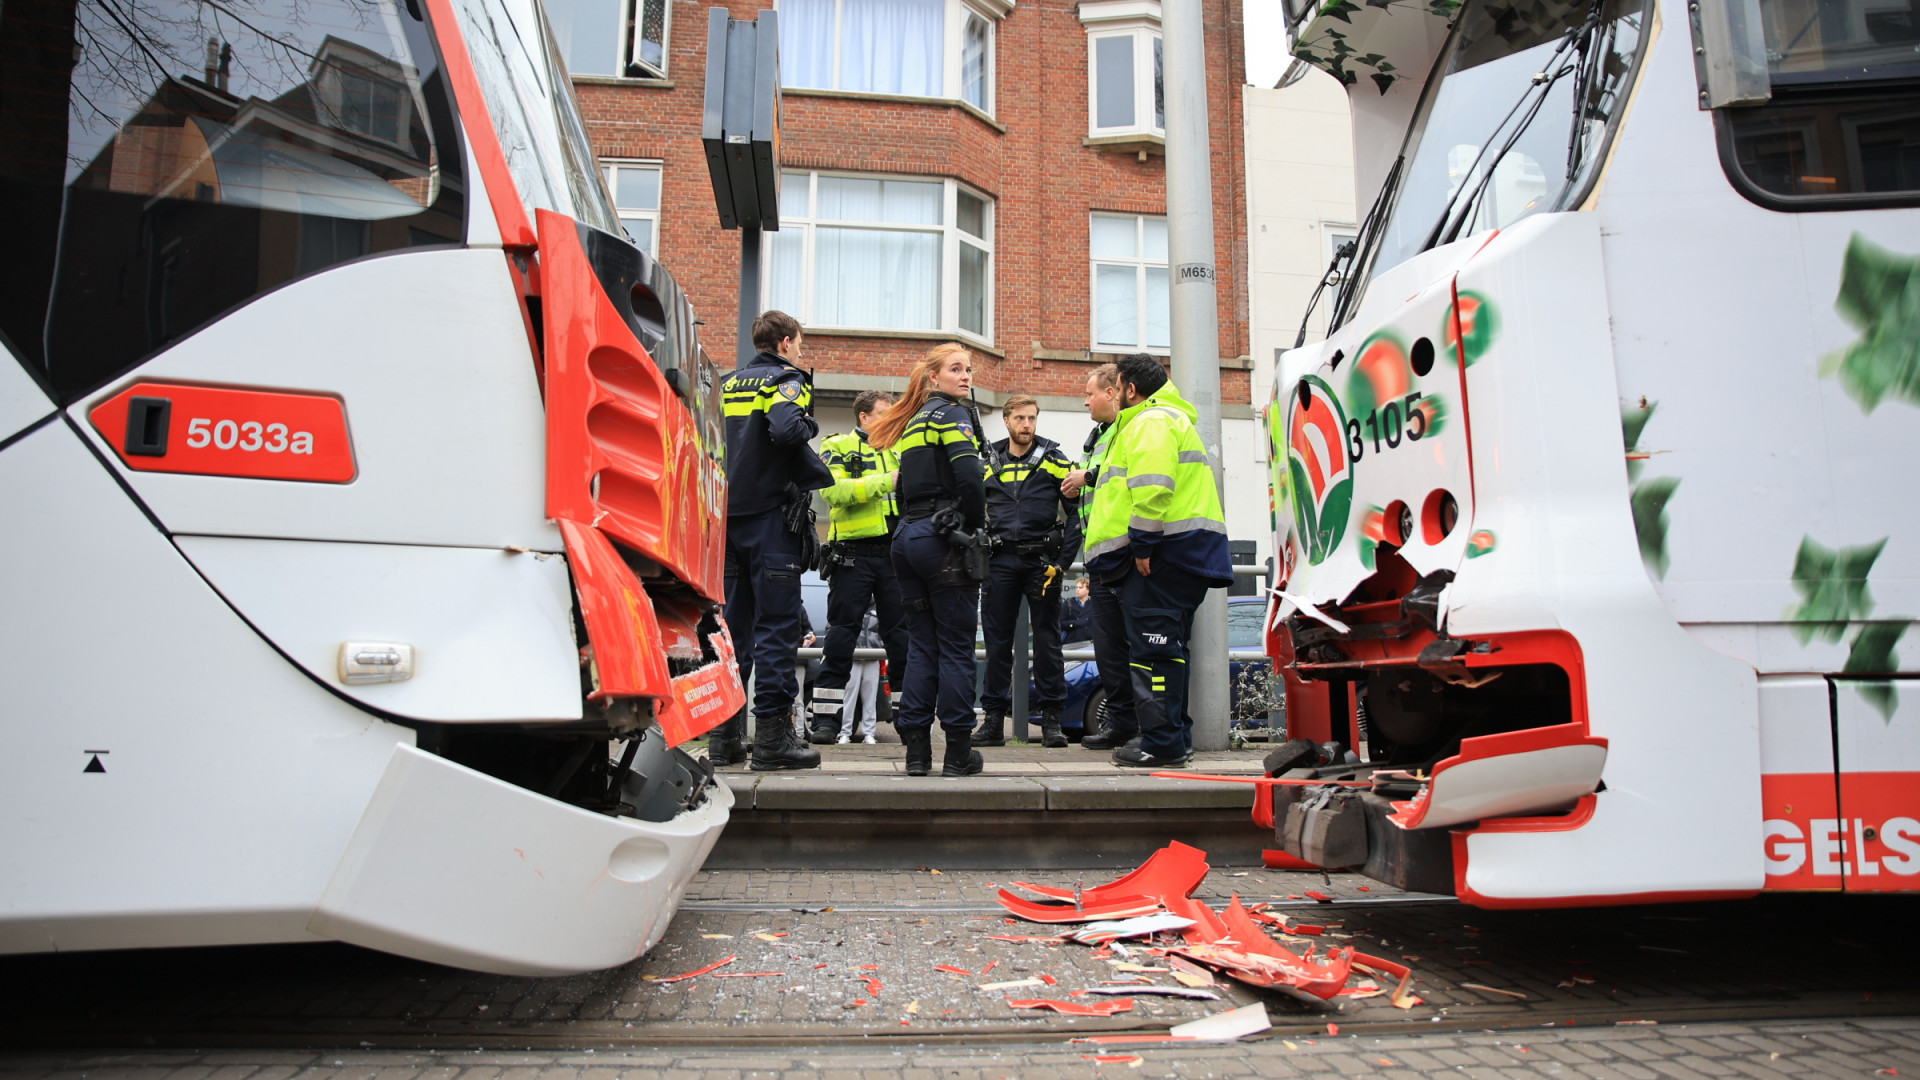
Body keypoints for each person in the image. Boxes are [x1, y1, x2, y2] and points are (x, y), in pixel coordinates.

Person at [1080, 353, 1234, 768]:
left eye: (1120, 386)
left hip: (1160, 556)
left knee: (1153, 651)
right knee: (1167, 649)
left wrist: (1144, 545)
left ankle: (1161, 743)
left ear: (1131, 389)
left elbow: (1152, 486)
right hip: (1176, 555)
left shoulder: (1150, 421)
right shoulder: (1161, 419)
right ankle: (1173, 738)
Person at [709, 310, 834, 772]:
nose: (801, 351)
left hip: (725, 522)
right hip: (768, 521)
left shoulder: (723, 383)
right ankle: (772, 743)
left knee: (731, 631)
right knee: (777, 630)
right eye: (799, 343)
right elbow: (785, 429)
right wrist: (810, 427)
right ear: (784, 343)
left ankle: (724, 740)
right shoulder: (787, 380)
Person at [867, 343, 988, 778]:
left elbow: (902, 490)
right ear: (934, 377)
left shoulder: (914, 420)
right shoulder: (953, 416)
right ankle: (958, 753)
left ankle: (916, 754)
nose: (966, 376)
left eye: (969, 369)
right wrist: (976, 526)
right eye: (956, 369)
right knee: (956, 648)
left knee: (921, 645)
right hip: (943, 541)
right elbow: (970, 476)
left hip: (908, 539)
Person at [976, 395, 1082, 749]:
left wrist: (1062, 564)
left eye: (1032, 418)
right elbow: (970, 511)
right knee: (997, 644)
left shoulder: (1054, 460)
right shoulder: (987, 461)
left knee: (1049, 643)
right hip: (1000, 562)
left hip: (1042, 564)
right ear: (1006, 420)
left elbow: (1076, 517)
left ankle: (1053, 723)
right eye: (1020, 418)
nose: (1026, 425)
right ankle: (992, 721)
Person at [808, 391, 908, 744]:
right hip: (852, 554)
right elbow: (832, 492)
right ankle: (826, 722)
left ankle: (908, 720)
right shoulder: (838, 445)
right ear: (864, 417)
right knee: (840, 637)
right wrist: (887, 481)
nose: (891, 420)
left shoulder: (899, 450)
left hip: (894, 554)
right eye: (884, 414)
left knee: (902, 640)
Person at [1060, 364, 1138, 752]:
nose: (1085, 400)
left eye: (1090, 392)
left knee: (1137, 646)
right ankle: (1121, 726)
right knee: (1109, 649)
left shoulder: (1132, 427)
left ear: (1113, 392)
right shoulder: (1101, 435)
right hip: (1102, 559)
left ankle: (1144, 728)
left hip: (1129, 556)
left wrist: (1086, 478)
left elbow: (1128, 475)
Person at [837, 606, 883, 745]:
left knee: (870, 697)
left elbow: (886, 630)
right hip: (853, 656)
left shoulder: (877, 610)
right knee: (849, 696)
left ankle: (869, 733)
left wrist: (880, 646)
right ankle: (845, 732)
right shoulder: (850, 606)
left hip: (873, 657)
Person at [1060, 576, 1092, 645]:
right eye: (1076, 587)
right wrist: (1075, 623)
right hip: (1071, 644)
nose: (1077, 590)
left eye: (1081, 588)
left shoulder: (1094, 605)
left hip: (1089, 645)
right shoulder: (1068, 604)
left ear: (1088, 590)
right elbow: (1060, 623)